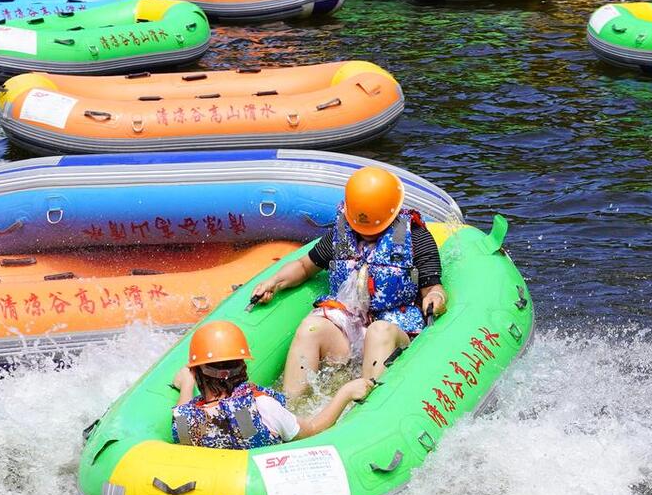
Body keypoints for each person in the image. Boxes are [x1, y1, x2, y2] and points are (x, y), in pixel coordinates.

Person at [250, 166, 447, 399]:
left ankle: (365, 412)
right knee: (310, 329)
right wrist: (274, 282)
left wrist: (436, 298)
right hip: (349, 328)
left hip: (393, 331)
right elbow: (304, 266)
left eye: (374, 228)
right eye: (361, 228)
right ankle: (291, 411)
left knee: (378, 331)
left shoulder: (415, 237)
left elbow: (432, 287)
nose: (366, 234)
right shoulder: (341, 235)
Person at [171, 320, 373, 450]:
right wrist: (345, 393)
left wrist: (187, 386)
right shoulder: (263, 407)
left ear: (195, 372)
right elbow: (313, 429)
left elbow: (184, 408)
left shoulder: (184, 421)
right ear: (242, 367)